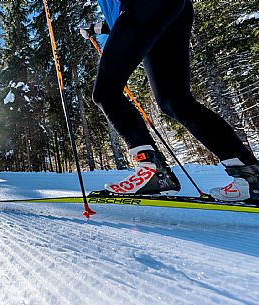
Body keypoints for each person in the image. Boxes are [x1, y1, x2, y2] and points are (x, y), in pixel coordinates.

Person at [80, 0, 259, 201]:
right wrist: (98, 27)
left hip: (143, 7)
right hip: (166, 8)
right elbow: (120, 16)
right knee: (174, 100)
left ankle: (153, 171)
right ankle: (250, 177)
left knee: (106, 92)